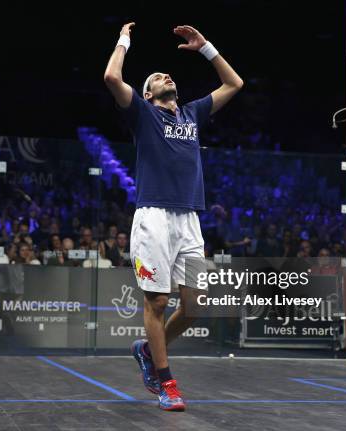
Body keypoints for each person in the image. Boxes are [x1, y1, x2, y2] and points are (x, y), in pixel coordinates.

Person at [104, 22, 243, 411]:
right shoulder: (143, 115)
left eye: (169, 75)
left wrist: (206, 48)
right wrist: (124, 41)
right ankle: (166, 383)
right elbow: (111, 76)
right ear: (147, 94)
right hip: (153, 219)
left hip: (190, 222)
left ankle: (147, 350)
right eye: (157, 78)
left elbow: (235, 84)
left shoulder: (192, 114)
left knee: (196, 304)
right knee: (158, 300)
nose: (167, 76)